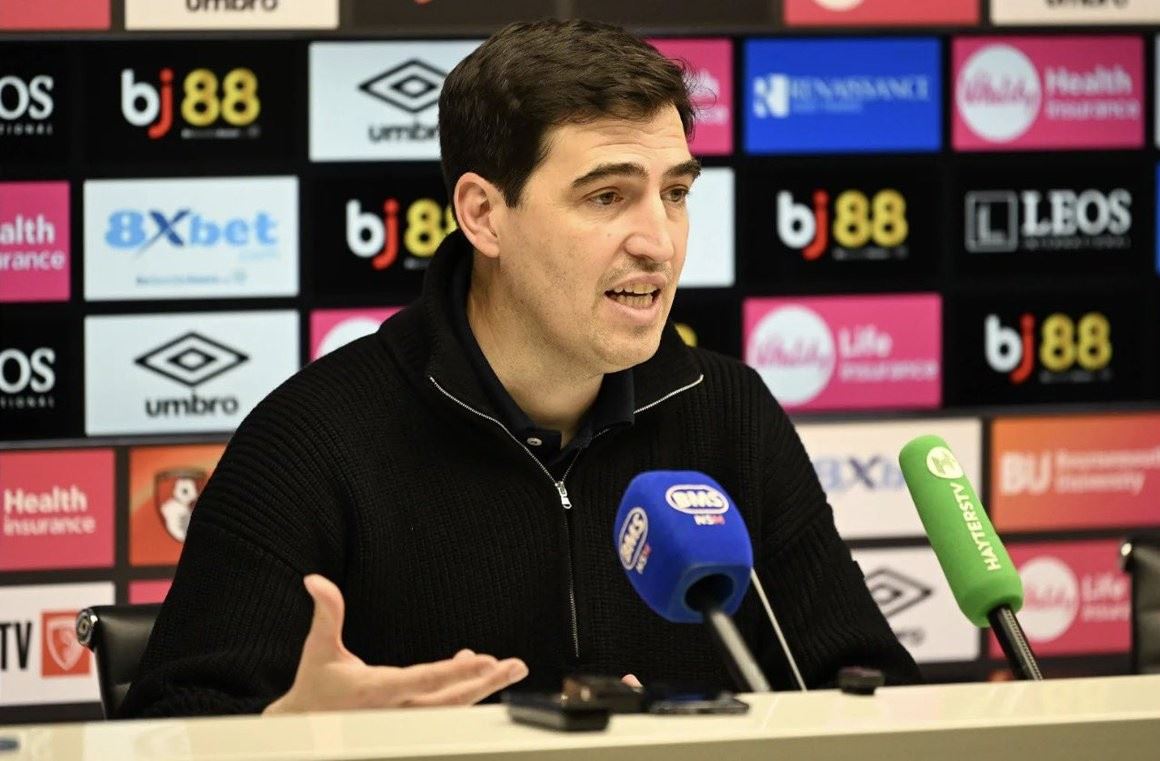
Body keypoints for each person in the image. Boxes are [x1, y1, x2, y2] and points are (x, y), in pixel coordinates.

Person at [120, 18, 920, 719]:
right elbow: (170, 724)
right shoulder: (313, 438)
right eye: (607, 197)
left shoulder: (727, 411)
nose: (659, 241)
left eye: (674, 194)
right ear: (483, 215)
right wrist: (291, 733)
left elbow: (867, 690)